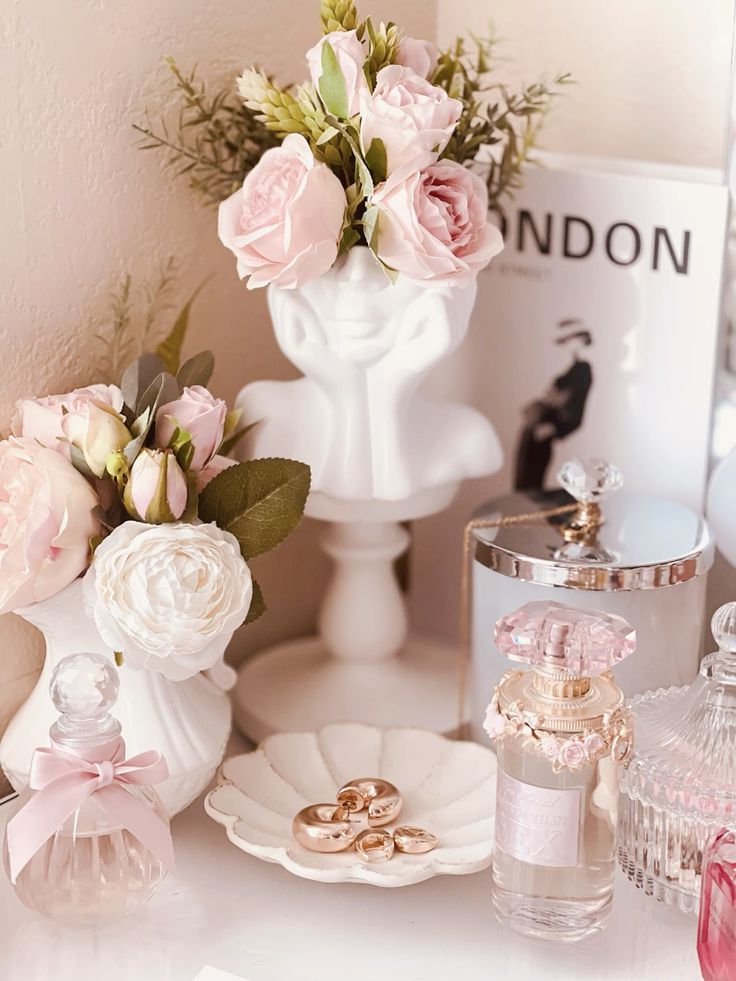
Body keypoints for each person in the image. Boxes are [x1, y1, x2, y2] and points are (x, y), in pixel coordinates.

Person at [514, 319, 593, 491]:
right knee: (527, 481)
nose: (564, 345)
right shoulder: (573, 367)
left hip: (545, 429)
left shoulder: (582, 369)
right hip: (539, 428)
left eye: (568, 339)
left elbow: (576, 407)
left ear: (579, 339)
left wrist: (555, 427)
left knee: (531, 483)